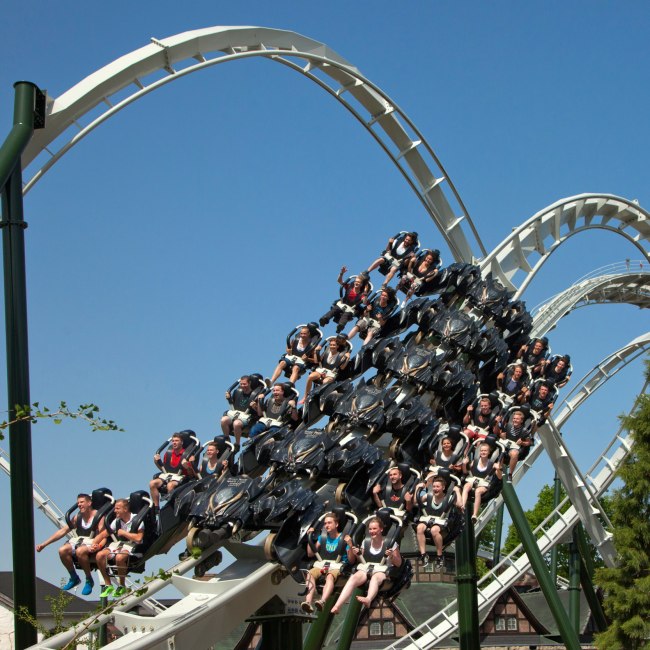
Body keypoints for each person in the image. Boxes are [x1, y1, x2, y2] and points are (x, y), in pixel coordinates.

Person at [36, 493, 104, 595]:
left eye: (82, 502)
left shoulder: (98, 516)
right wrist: (44, 544)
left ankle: (89, 579)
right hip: (81, 541)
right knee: (62, 550)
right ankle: (74, 577)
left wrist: (98, 545)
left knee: (80, 551)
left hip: (93, 543)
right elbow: (63, 531)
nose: (79, 505)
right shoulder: (78, 517)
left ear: (89, 503)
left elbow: (104, 534)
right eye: (78, 503)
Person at [330, 517, 402, 613]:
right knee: (353, 578)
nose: (372, 531)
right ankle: (337, 606)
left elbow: (399, 563)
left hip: (382, 570)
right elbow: (362, 560)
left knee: (375, 578)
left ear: (381, 529)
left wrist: (391, 556)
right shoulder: (366, 542)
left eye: (375, 529)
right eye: (370, 529)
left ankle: (368, 599)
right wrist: (357, 553)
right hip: (367, 569)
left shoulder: (391, 543)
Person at [301, 512, 352, 613]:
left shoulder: (344, 538)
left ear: (336, 524)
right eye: (325, 523)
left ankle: (322, 601)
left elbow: (352, 560)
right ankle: (308, 602)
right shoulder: (322, 537)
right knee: (310, 574)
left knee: (329, 576)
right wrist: (309, 538)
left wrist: (350, 545)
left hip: (337, 566)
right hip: (322, 564)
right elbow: (310, 554)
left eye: (329, 523)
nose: (326, 525)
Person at [96, 498, 144, 598]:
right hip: (119, 545)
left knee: (119, 557)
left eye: (117, 508)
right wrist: (95, 542)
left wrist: (124, 533)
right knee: (99, 555)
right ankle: (108, 584)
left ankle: (121, 585)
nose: (115, 511)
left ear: (125, 509)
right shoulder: (117, 521)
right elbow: (105, 533)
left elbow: (139, 538)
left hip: (133, 546)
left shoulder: (137, 520)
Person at [413, 476, 458, 567]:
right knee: (419, 528)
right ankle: (423, 554)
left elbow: (460, 504)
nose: (435, 489)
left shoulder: (449, 498)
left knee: (434, 530)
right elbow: (415, 502)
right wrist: (417, 489)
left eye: (438, 487)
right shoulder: (429, 496)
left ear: (443, 488)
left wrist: (457, 491)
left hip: (441, 520)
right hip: (428, 517)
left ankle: (439, 556)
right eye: (434, 486)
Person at [300, 336, 351, 404]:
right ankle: (305, 397)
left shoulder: (342, 354)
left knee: (325, 381)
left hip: (331, 373)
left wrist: (347, 359)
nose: (332, 346)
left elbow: (342, 367)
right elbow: (317, 361)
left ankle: (320, 398)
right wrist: (316, 352)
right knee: (310, 377)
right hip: (322, 370)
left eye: (334, 345)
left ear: (337, 346)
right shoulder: (327, 351)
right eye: (330, 345)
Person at [149, 433, 194, 509]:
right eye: (173, 441)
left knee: (170, 486)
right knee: (152, 483)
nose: (174, 442)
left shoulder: (187, 455)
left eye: (176, 441)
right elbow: (164, 470)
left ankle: (172, 506)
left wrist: (187, 466)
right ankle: (156, 507)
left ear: (181, 442)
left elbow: (192, 474)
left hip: (181, 477)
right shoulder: (168, 454)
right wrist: (156, 462)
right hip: (168, 475)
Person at [319, 268, 370, 333]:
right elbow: (339, 281)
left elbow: (365, 302)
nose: (356, 283)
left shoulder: (362, 294)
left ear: (361, 284)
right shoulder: (349, 287)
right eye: (356, 281)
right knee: (334, 309)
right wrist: (341, 273)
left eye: (358, 282)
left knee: (346, 315)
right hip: (343, 303)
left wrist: (365, 292)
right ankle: (324, 320)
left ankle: (340, 327)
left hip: (351, 308)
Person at [461, 442, 502, 522]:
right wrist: (464, 464)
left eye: (485, 451)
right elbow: (465, 472)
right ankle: (462, 506)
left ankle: (475, 514)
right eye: (482, 450)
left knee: (478, 491)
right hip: (472, 479)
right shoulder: (474, 461)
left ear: (489, 452)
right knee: (466, 486)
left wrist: (498, 469)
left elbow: (499, 477)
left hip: (484, 483)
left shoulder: (492, 464)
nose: (483, 452)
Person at [220, 375, 260, 446]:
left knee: (236, 423)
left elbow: (259, 412)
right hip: (236, 415)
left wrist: (254, 406)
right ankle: (227, 439)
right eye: (241, 384)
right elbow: (233, 404)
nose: (242, 386)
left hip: (247, 418)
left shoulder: (255, 395)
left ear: (249, 383)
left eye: (244, 384)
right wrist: (229, 398)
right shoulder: (237, 392)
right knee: (223, 420)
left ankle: (237, 443)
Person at [499, 410, 533, 479]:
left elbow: (530, 442)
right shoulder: (508, 425)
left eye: (517, 419)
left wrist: (523, 443)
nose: (515, 420)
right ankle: (499, 469)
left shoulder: (524, 431)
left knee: (514, 453)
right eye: (514, 418)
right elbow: (500, 433)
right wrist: (501, 435)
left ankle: (510, 474)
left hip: (514, 448)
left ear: (521, 421)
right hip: (505, 446)